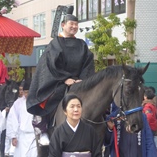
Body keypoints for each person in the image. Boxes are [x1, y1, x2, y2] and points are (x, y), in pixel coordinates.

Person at [27, 14, 95, 145]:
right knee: (49, 98)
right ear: (63, 25)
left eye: (76, 24)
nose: (74, 27)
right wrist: (65, 79)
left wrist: (83, 79)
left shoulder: (82, 44)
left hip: (80, 82)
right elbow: (50, 65)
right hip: (58, 81)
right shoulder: (55, 43)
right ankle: (43, 129)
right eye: (71, 24)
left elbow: (88, 63)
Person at [6, 79, 37, 157]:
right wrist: (13, 136)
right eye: (25, 92)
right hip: (22, 137)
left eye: (28, 92)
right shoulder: (18, 103)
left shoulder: (38, 103)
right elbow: (12, 119)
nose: (27, 94)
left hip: (34, 136)